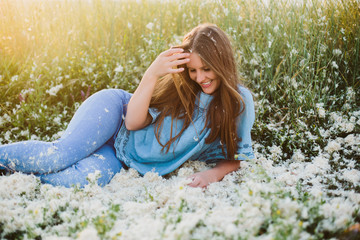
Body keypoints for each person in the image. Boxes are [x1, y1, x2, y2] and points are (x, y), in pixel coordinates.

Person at [0, 23, 255, 188]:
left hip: (122, 158)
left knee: (76, 181)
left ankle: (9, 172)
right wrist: (152, 73)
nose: (199, 78)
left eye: (206, 69)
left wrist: (210, 176)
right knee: (58, 155)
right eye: (192, 70)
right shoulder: (180, 87)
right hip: (114, 114)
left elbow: (237, 157)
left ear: (222, 62)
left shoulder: (239, 103)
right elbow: (133, 122)